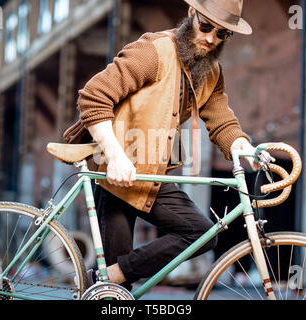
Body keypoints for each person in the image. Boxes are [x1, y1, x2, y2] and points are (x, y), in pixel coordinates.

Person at [67, 0, 268, 289]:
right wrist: (115, 156)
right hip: (117, 174)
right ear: (191, 15)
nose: (212, 38)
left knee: (200, 234)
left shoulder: (210, 71)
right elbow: (94, 97)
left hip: (152, 175)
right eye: (207, 26)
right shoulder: (153, 51)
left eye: (222, 33)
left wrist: (242, 146)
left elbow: (220, 117)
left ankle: (105, 277)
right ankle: (106, 281)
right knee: (114, 293)